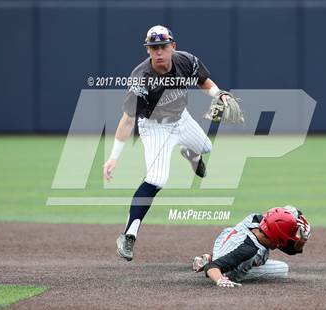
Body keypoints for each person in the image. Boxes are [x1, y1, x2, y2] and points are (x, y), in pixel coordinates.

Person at [103, 25, 234, 261]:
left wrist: (219, 93)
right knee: (157, 179)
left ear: (172, 46)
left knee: (206, 147)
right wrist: (113, 157)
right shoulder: (140, 78)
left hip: (181, 119)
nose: (159, 52)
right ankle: (129, 234)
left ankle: (191, 155)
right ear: (148, 51)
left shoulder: (185, 61)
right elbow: (127, 119)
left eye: (163, 46)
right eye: (153, 48)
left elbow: (203, 81)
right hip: (154, 127)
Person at [192, 206, 311, 287]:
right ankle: (213, 260)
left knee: (233, 255)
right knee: (282, 268)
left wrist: (303, 239)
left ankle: (214, 257)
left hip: (225, 241)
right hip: (232, 262)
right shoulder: (249, 250)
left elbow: (291, 249)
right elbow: (212, 268)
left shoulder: (259, 220)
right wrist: (220, 280)